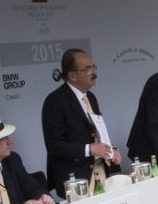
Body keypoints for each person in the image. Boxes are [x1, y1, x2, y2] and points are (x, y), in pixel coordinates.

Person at [41, 49, 121, 196]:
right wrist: (89, 149)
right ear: (73, 75)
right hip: (76, 178)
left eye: (93, 67)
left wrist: (110, 151)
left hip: (99, 171)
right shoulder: (55, 101)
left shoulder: (91, 97)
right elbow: (54, 145)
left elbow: (95, 133)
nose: (93, 72)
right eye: (87, 69)